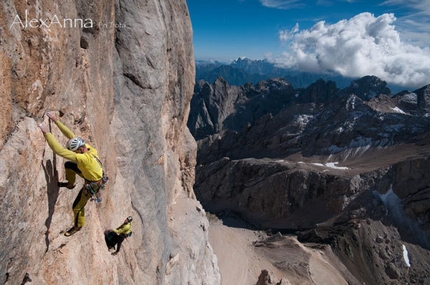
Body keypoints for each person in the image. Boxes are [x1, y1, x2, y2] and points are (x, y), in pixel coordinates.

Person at [38, 111, 105, 237]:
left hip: (92, 184)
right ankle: (70, 184)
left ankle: (78, 225)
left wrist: (46, 132)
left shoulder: (83, 159)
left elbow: (59, 151)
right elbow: (71, 136)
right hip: (91, 175)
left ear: (79, 150)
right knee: (69, 165)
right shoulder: (89, 149)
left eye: (74, 152)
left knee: (77, 207)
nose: (74, 153)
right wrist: (56, 121)